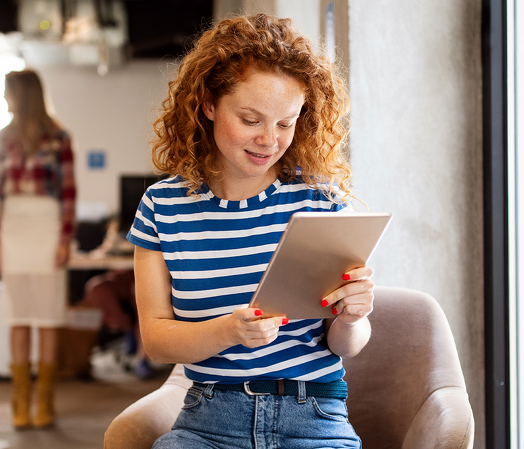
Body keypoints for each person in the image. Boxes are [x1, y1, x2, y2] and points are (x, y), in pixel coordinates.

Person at [127, 14, 373, 448]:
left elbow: (345, 345)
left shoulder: (321, 202)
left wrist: (354, 317)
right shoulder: (161, 208)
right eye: (251, 119)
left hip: (314, 416)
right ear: (208, 105)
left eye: (285, 123)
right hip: (208, 420)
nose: (269, 139)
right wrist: (229, 330)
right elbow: (156, 342)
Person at [0, 69, 76, 430]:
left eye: (7, 92)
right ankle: (19, 402)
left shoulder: (59, 136)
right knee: (18, 314)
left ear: (21, 95)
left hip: (47, 225)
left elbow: (69, 191)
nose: (4, 99)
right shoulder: (4, 136)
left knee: (47, 317)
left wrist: (64, 239)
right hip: (13, 226)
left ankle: (45, 402)